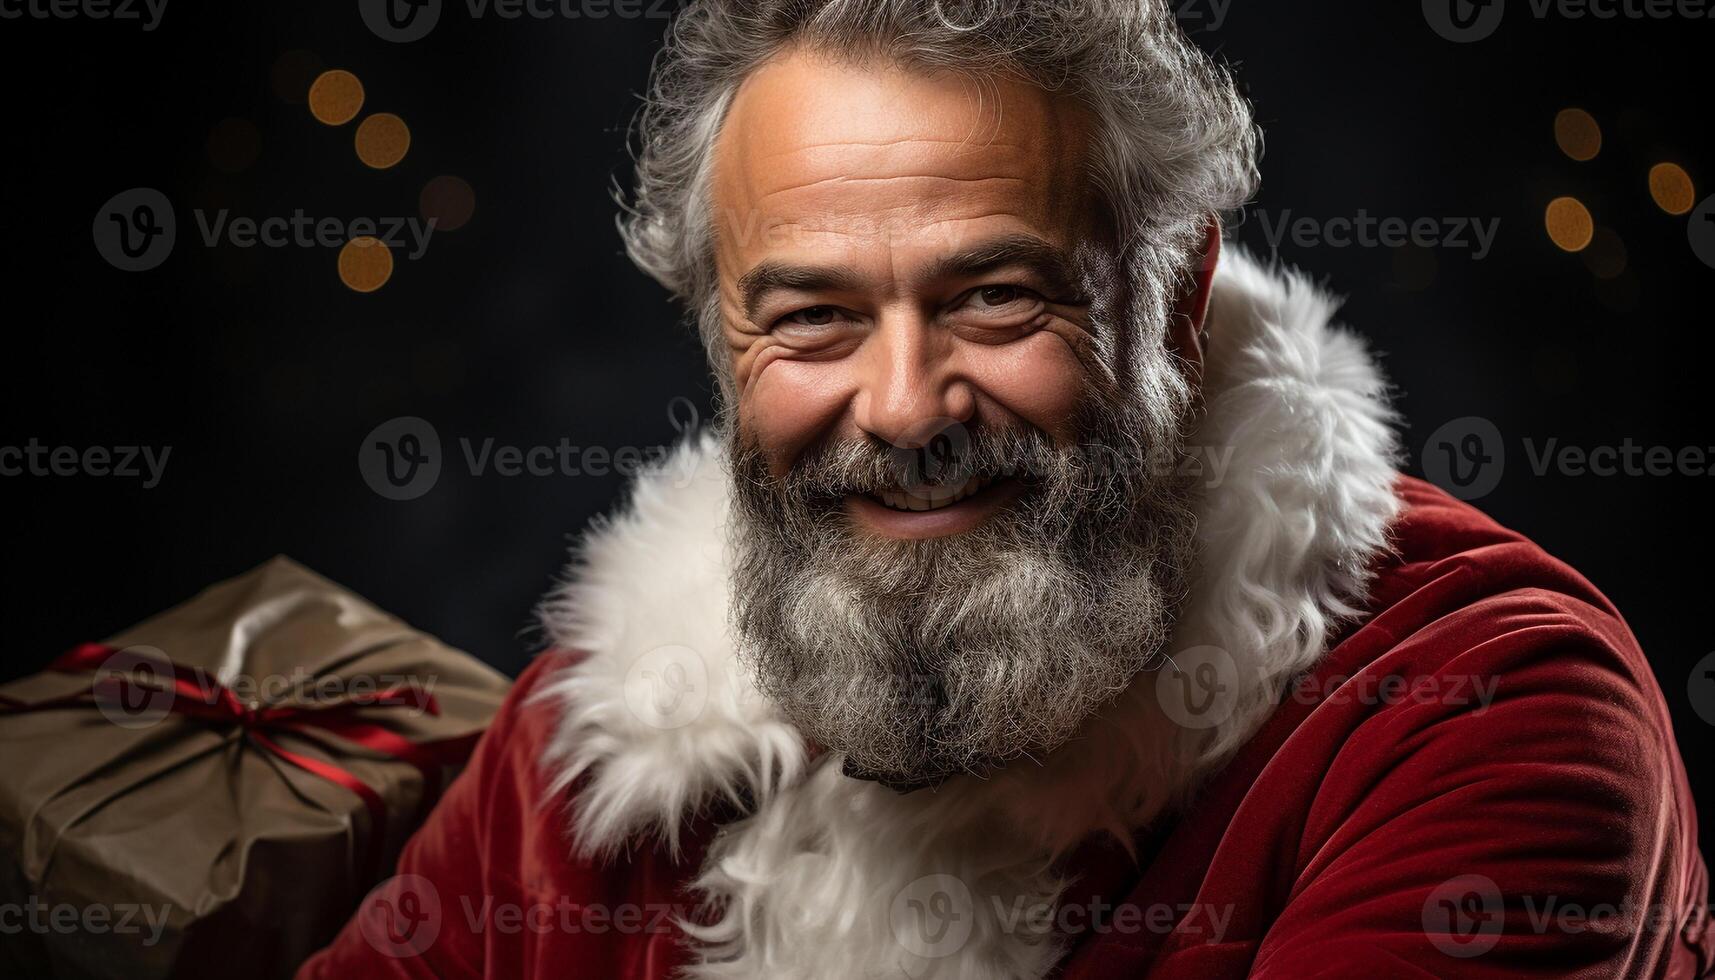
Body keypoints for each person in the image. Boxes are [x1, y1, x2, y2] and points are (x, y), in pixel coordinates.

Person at [300, 1, 1710, 975]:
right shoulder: (590, 743)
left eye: (996, 298)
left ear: (1176, 293)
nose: (906, 407)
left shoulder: (1489, 718)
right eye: (811, 319)